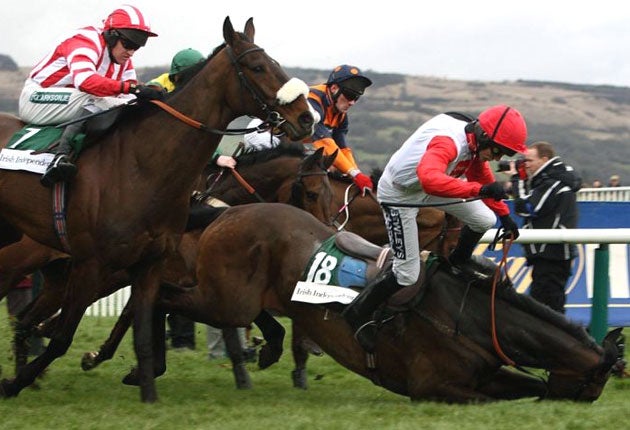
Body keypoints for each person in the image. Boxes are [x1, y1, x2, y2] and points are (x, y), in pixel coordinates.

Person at [342, 105, 526, 350]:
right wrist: (479, 190)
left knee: (484, 219)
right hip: (400, 195)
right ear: (484, 136)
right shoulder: (448, 143)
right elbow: (430, 180)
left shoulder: (474, 141)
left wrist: (504, 216)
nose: (498, 159)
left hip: (428, 186)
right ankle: (357, 313)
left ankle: (458, 261)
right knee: (406, 274)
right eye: (497, 151)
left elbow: (480, 176)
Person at [18, 5, 164, 187]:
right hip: (36, 99)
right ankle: (60, 157)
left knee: (125, 105)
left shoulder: (123, 60)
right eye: (128, 44)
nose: (131, 52)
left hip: (69, 102)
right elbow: (85, 81)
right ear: (111, 35)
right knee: (95, 99)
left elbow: (127, 97)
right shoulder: (85, 41)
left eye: (137, 47)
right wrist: (132, 89)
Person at [511, 141, 581, 313]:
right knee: (548, 308)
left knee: (546, 310)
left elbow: (526, 208)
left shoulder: (552, 183)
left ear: (544, 159)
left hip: (551, 254)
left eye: (529, 160)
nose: (526, 165)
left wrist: (517, 180)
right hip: (551, 254)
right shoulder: (554, 179)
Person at [305, 65, 374, 195]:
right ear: (334, 88)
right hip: (269, 139)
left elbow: (342, 148)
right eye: (349, 95)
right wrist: (354, 174)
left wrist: (356, 173)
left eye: (356, 97)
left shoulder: (340, 115)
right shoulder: (313, 99)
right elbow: (324, 142)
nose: (352, 102)